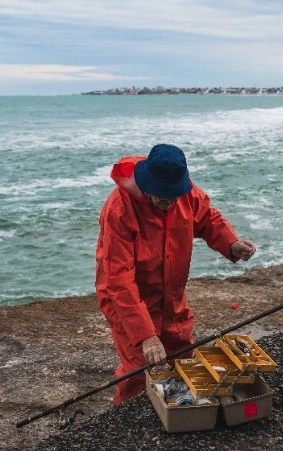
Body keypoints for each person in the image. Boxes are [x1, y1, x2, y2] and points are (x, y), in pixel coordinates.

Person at [95, 143, 256, 405]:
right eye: (162, 197)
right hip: (128, 304)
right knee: (139, 370)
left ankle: (176, 414)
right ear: (146, 185)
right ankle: (123, 418)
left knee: (182, 358)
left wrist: (231, 243)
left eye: (173, 197)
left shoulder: (185, 194)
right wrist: (146, 335)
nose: (169, 203)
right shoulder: (119, 210)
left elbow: (207, 219)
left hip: (172, 298)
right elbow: (119, 280)